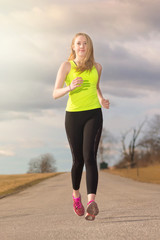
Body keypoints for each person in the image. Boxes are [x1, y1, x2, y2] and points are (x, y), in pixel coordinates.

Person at [53, 33, 110, 221]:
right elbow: (55, 93)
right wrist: (70, 88)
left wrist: (101, 98)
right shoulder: (67, 66)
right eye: (79, 43)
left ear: (90, 46)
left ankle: (91, 202)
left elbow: (96, 86)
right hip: (73, 116)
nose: (82, 46)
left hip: (93, 113)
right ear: (73, 47)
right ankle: (76, 195)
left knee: (90, 157)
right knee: (78, 160)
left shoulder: (97, 67)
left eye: (85, 43)